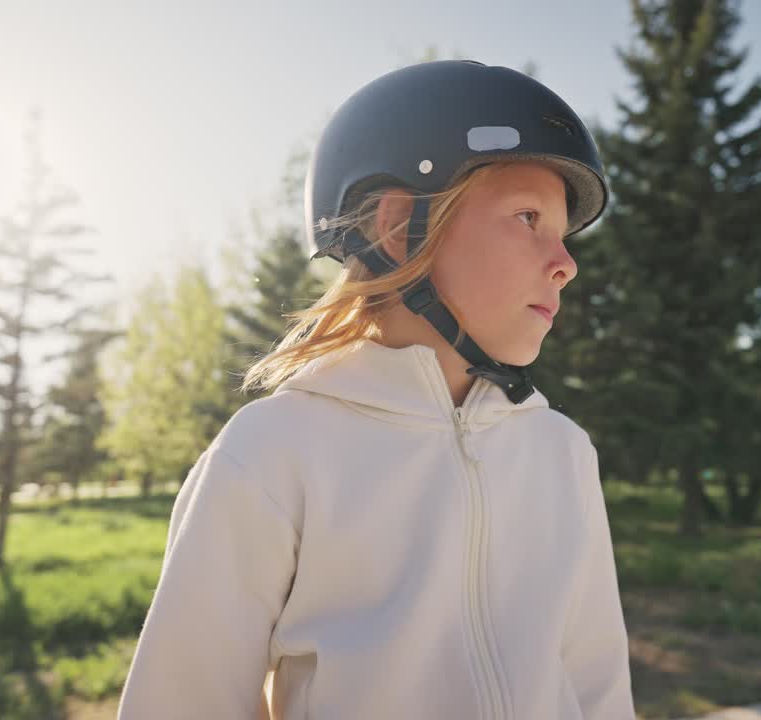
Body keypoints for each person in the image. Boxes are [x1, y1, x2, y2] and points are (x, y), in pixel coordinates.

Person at [117, 59, 634, 719]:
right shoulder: (275, 451)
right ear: (396, 228)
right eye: (528, 217)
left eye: (563, 235)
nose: (566, 265)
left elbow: (598, 688)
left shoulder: (562, 452)